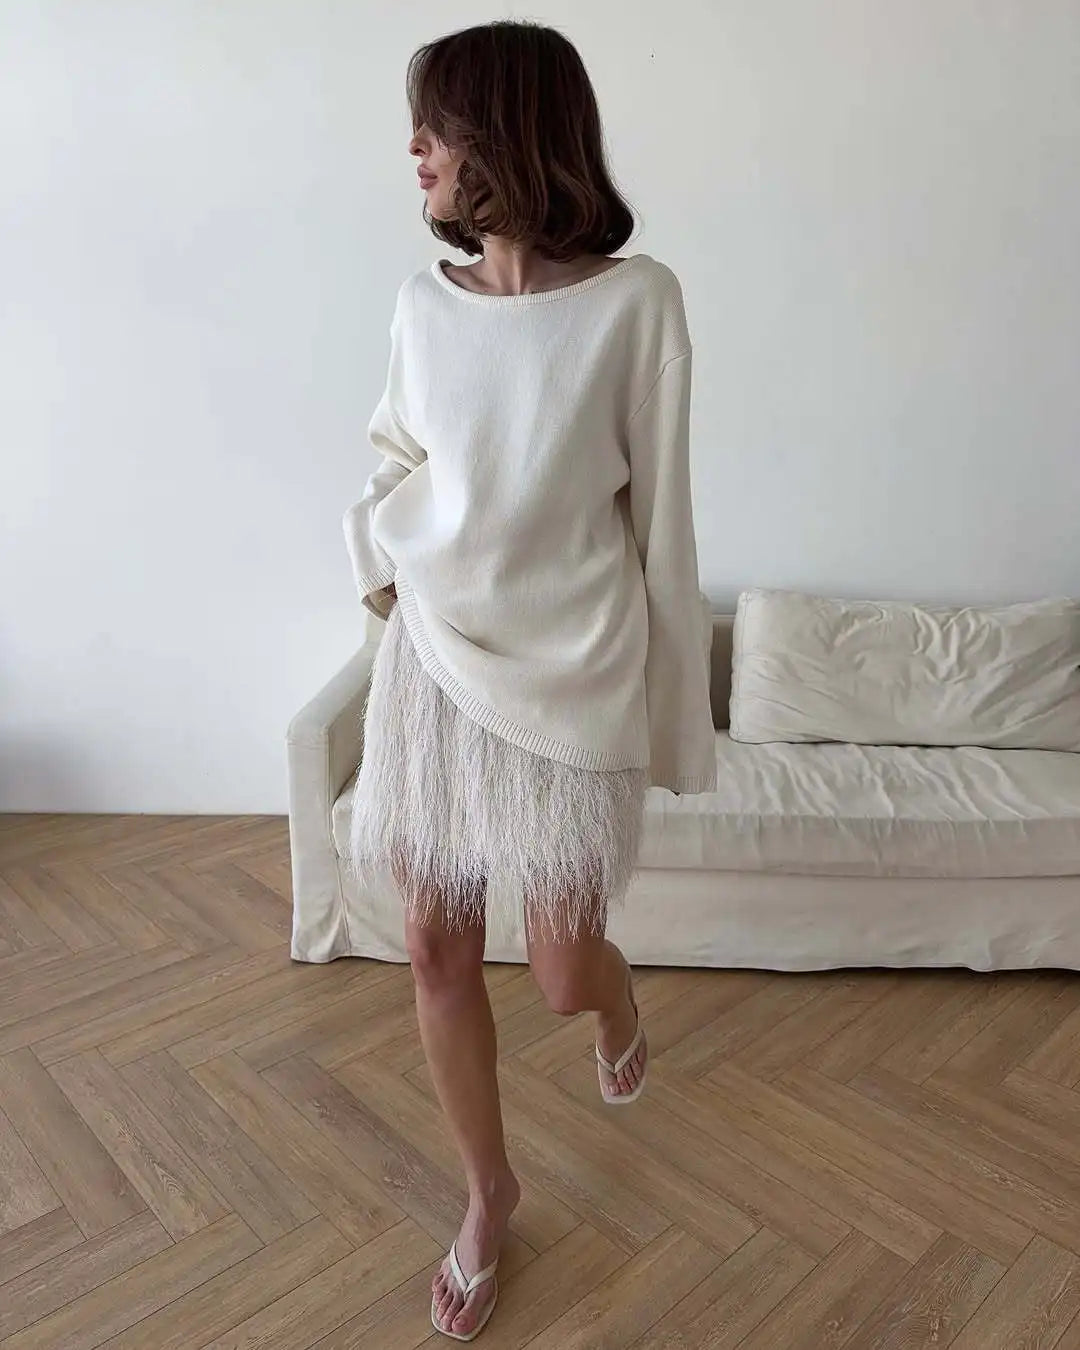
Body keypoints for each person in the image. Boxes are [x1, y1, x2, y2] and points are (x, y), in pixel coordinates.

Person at [343, 19, 716, 1341]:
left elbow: (662, 528)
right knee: (436, 947)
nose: (416, 151)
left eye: (435, 126)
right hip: (434, 666)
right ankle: (489, 1191)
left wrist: (677, 727)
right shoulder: (418, 307)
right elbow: (390, 456)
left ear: (503, 135)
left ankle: (619, 995)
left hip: (575, 670)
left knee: (559, 968)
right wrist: (385, 571)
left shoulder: (638, 303)